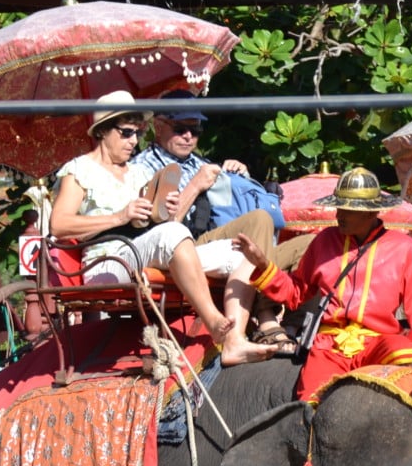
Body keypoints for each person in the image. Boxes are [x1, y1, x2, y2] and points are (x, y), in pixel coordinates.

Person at [48, 91, 273, 366]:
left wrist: (170, 208)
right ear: (104, 131)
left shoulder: (139, 172)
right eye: (127, 133)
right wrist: (120, 216)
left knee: (243, 252)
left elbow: (168, 228)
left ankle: (235, 339)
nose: (134, 141)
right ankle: (214, 321)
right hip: (108, 261)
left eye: (138, 133)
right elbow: (58, 225)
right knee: (171, 235)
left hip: (148, 249)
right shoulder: (80, 170)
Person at [235, 166, 412, 399]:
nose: (338, 214)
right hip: (329, 345)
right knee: (309, 403)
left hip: (378, 342)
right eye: (338, 206)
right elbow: (295, 292)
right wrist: (263, 265)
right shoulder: (323, 241)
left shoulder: (404, 248)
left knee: (403, 352)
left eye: (347, 209)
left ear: (370, 213)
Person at [132, 90, 313, 353]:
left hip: (212, 239)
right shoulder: (143, 167)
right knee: (260, 220)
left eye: (196, 130)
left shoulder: (201, 162)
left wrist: (235, 177)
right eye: (181, 128)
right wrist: (195, 186)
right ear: (157, 127)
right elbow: (162, 232)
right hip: (178, 248)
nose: (189, 137)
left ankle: (295, 323)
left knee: (312, 243)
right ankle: (263, 317)